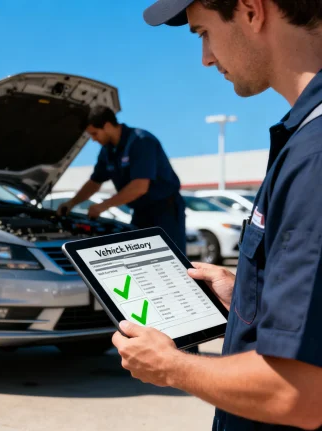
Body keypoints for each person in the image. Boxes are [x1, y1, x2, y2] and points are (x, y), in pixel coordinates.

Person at [110, 1, 322, 430]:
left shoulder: (314, 155)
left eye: (203, 32)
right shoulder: (305, 135)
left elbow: (297, 393)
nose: (205, 58)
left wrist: (170, 365)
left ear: (250, 11)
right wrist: (247, 300)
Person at [58, 107, 187, 254]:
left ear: (107, 125)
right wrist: (72, 203)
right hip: (140, 212)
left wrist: (102, 206)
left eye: (94, 133)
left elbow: (139, 187)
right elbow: (94, 182)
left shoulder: (141, 141)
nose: (93, 139)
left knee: (172, 260)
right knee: (141, 260)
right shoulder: (107, 151)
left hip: (165, 212)